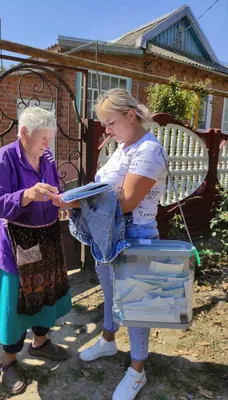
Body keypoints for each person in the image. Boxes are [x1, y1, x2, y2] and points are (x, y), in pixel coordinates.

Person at [54, 88, 167, 400]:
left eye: (110, 122)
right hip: (109, 234)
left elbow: (127, 201)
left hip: (135, 236)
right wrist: (73, 198)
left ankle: (137, 370)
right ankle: (108, 340)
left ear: (131, 116)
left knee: (135, 305)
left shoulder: (149, 150)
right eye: (104, 123)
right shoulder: (124, 146)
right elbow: (105, 186)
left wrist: (76, 202)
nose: (106, 129)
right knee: (109, 293)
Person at [0, 107, 72, 395]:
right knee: (15, 303)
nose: (48, 143)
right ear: (23, 133)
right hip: (16, 244)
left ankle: (40, 342)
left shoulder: (45, 158)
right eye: (43, 137)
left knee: (45, 294)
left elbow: (54, 189)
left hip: (46, 238)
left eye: (50, 137)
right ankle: (9, 361)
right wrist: (26, 195)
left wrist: (64, 200)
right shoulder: (7, 157)